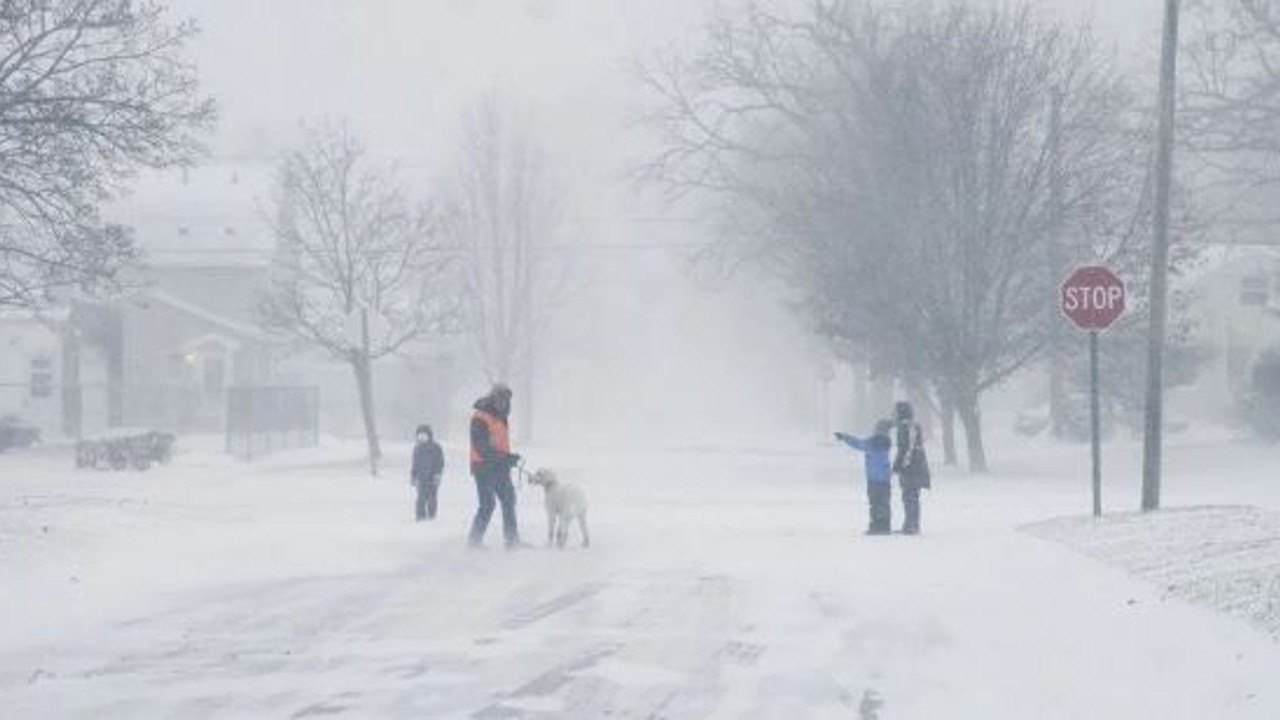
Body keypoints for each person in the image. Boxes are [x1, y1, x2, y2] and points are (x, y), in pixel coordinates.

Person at [467, 384, 527, 549]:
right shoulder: (480, 417)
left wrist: (508, 458)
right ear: (493, 397)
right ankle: (473, 542)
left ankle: (512, 540)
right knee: (487, 504)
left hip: (500, 466)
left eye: (507, 399)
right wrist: (505, 458)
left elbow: (498, 444)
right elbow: (481, 447)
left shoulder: (501, 417)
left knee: (509, 500)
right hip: (483, 467)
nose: (504, 402)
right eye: (501, 398)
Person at [835, 419, 895, 535]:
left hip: (873, 479)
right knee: (884, 503)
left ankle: (876, 527)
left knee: (875, 503)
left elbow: (857, 443)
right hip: (885, 479)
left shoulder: (872, 442)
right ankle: (885, 526)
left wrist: (844, 437)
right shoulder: (887, 442)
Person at [892, 401, 932, 535]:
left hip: (910, 467)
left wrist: (897, 467)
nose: (894, 414)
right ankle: (911, 524)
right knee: (912, 496)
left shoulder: (904, 427)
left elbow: (905, 449)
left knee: (909, 497)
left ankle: (912, 526)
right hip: (917, 465)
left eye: (896, 412)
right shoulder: (914, 426)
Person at [410, 424, 444, 521]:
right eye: (419, 435)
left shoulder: (436, 447)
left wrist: (437, 474)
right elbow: (415, 464)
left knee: (431, 498)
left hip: (432, 477)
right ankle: (420, 517)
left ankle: (431, 516)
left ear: (429, 435)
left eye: (424, 435)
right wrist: (413, 476)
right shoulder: (417, 448)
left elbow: (440, 462)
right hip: (421, 478)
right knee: (420, 498)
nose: (421, 437)